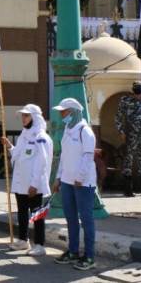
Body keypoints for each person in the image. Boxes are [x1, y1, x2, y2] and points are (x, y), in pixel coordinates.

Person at [53, 98, 98, 271]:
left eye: (64, 111)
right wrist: (58, 178)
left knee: (86, 220)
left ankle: (89, 256)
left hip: (83, 183)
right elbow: (64, 157)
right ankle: (72, 251)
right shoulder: (67, 129)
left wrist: (80, 177)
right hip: (66, 181)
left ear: (73, 112)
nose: (61, 114)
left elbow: (88, 157)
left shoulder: (85, 131)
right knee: (70, 218)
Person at [1, 104, 52, 256]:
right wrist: (10, 146)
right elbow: (18, 154)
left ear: (35, 117)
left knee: (37, 215)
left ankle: (40, 244)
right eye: (22, 116)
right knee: (22, 213)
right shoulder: (24, 134)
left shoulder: (41, 137)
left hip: (33, 185)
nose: (23, 118)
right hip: (21, 183)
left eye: (27, 115)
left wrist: (35, 184)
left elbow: (42, 162)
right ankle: (23, 240)